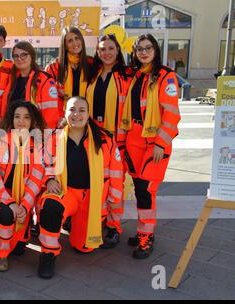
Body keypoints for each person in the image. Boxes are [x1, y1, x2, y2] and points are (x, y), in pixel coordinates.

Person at [37, 96, 123, 279]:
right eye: (72, 110)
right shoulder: (54, 137)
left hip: (92, 197)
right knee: (49, 207)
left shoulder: (105, 139)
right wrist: (50, 179)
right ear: (65, 112)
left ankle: (76, 225)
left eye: (82, 110)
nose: (76, 114)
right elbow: (44, 163)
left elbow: (116, 174)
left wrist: (114, 202)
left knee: (84, 247)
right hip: (65, 192)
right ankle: (48, 254)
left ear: (88, 113)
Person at [118, 34, 181, 259]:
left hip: (154, 144)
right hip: (134, 139)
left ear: (156, 50)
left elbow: (172, 115)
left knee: (146, 191)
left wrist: (161, 144)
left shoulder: (166, 77)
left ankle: (146, 237)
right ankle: (145, 230)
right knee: (139, 189)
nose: (144, 52)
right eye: (139, 49)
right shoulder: (136, 76)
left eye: (148, 48)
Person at [0, 100, 45, 272]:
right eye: (17, 116)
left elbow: (36, 180)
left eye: (26, 117)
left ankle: (8, 234)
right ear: (11, 119)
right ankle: (0, 255)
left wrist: (24, 205)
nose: (21, 121)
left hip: (21, 198)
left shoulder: (36, 146)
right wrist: (9, 201)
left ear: (32, 121)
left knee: (18, 250)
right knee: (5, 213)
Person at [86, 33, 132, 247]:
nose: (106, 52)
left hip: (116, 140)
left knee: (115, 185)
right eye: (102, 49)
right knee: (97, 183)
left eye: (110, 48)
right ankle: (99, 221)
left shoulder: (126, 75)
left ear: (118, 51)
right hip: (95, 140)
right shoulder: (93, 75)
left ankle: (114, 227)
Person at [4, 41, 59, 129]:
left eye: (24, 55)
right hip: (12, 132)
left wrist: (45, 136)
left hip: (35, 133)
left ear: (32, 56)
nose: (19, 58)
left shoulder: (45, 80)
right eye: (16, 56)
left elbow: (50, 113)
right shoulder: (11, 79)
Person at [45, 26, 93, 117]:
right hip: (61, 120)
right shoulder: (53, 68)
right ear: (65, 45)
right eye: (70, 41)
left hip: (86, 117)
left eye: (77, 38)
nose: (75, 43)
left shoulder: (92, 64)